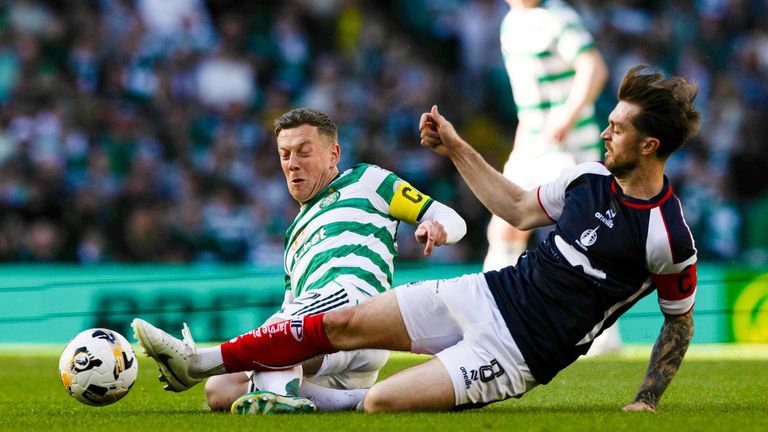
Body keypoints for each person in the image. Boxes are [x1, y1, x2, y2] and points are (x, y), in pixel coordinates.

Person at [133, 65, 699, 413]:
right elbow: (519, 208)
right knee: (337, 325)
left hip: (518, 352)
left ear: (649, 145)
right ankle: (199, 361)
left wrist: (647, 398)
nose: (605, 132)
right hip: (487, 293)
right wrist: (455, 147)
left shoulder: (668, 236)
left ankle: (282, 390)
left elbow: (679, 320)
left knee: (381, 403)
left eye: (618, 128)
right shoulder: (587, 178)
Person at [177, 108, 468, 414]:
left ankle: (213, 369)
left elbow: (449, 217)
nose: (292, 164)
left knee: (278, 338)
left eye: (304, 152)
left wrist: (439, 228)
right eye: (285, 154)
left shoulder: (367, 180)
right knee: (220, 389)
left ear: (333, 154)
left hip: (362, 311)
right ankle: (356, 400)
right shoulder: (294, 236)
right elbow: (292, 307)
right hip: (325, 348)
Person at [489, 0, 621, 356]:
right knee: (502, 228)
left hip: (568, 146)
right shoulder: (510, 25)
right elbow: (528, 100)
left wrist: (567, 116)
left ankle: (604, 334)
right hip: (532, 142)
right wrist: (519, 150)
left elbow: (593, 68)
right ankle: (494, 318)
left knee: (585, 237)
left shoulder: (556, 17)